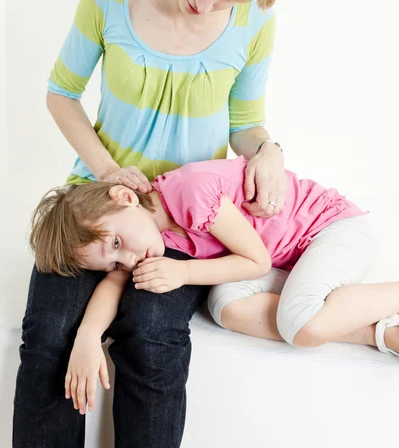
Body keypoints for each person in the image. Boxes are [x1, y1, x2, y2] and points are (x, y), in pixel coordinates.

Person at [13, 0, 290, 448]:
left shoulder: (254, 21)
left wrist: (269, 151)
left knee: (152, 336)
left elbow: (244, 121)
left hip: (189, 218)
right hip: (98, 201)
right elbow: (61, 95)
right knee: (49, 334)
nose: (209, 2)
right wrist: (109, 171)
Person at [29, 155, 399, 416]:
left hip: (331, 230)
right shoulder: (146, 234)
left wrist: (184, 274)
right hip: (289, 257)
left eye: (115, 244)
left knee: (301, 324)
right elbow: (112, 285)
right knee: (226, 306)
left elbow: (257, 262)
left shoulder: (189, 192)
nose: (127, 261)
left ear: (125, 197)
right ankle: (382, 331)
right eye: (113, 259)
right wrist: (86, 338)